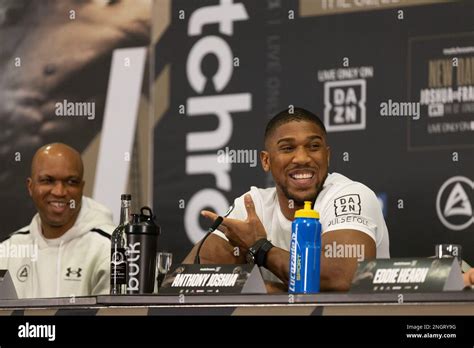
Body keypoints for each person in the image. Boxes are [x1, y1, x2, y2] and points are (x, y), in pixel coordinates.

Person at [183, 107, 390, 292]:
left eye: (313, 146)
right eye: (288, 148)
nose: (302, 158)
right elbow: (192, 278)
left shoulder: (350, 195)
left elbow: (343, 277)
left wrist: (260, 247)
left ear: (327, 156)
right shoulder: (252, 204)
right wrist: (272, 291)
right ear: (266, 160)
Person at [0, 143, 115, 298]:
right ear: (30, 186)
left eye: (71, 182)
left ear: (82, 187)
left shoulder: (113, 249)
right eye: (48, 180)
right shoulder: (8, 250)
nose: (59, 192)